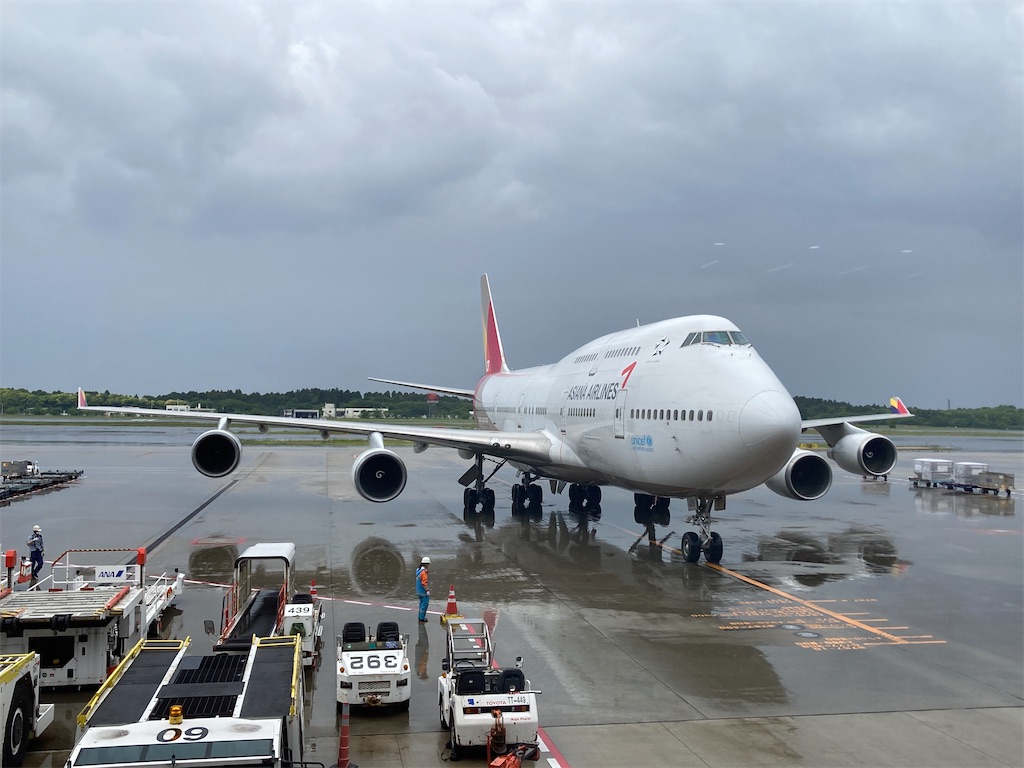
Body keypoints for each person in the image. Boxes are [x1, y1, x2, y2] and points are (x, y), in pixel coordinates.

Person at [415, 556, 430, 622]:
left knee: (421, 604)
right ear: (426, 564)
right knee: (424, 605)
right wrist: (427, 590)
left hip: (418, 591)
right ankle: (421, 618)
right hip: (423, 591)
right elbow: (424, 582)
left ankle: (420, 616)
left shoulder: (418, 570)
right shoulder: (423, 572)